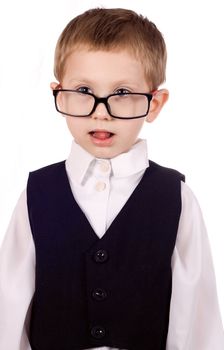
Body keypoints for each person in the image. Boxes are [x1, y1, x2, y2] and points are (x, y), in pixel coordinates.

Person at [0, 7, 223, 350]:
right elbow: (9, 311)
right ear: (59, 93)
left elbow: (196, 320)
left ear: (155, 104)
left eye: (121, 93)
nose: (100, 111)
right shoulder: (36, 194)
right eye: (84, 90)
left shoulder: (176, 198)